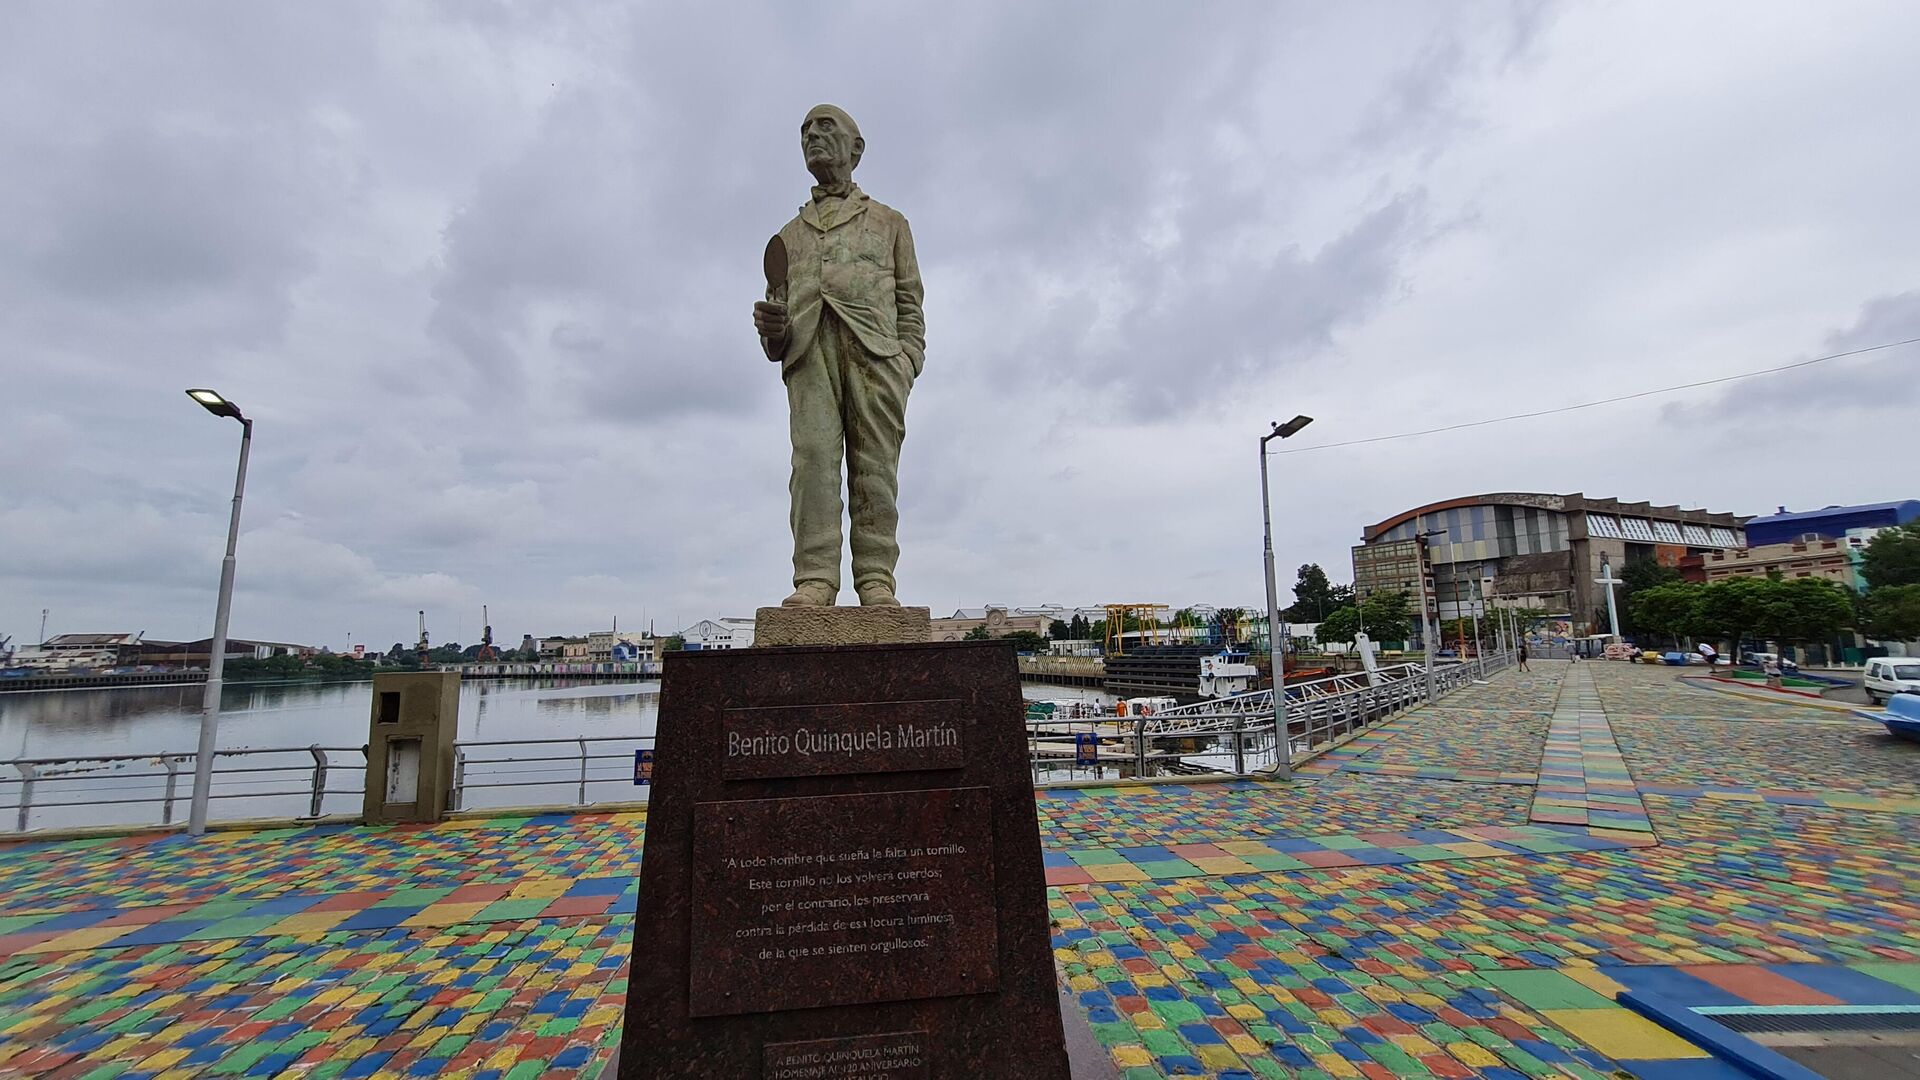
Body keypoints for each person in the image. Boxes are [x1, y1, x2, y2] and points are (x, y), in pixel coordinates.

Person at [752, 104, 926, 608]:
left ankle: (876, 579)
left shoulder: (891, 222)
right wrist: (772, 331)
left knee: (876, 465)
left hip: (876, 353)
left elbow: (911, 302)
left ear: (857, 148)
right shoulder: (788, 235)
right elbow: (776, 327)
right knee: (811, 464)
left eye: (825, 127)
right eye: (805, 129)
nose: (812, 135)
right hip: (808, 354)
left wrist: (906, 361)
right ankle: (815, 578)